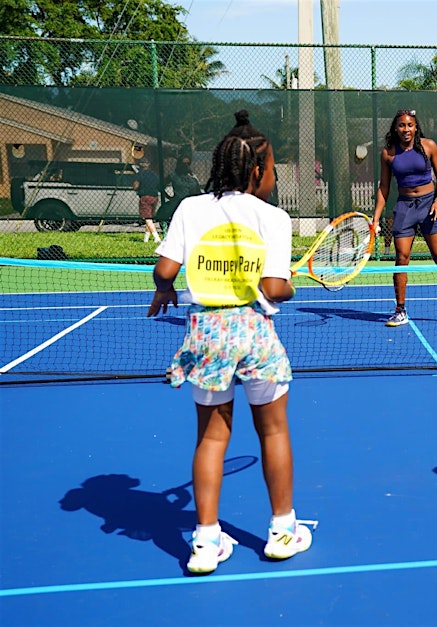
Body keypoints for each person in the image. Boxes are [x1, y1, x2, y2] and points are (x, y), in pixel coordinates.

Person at [147, 110, 314, 575]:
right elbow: (276, 287)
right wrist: (289, 286)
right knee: (274, 431)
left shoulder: (190, 209)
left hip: (206, 335)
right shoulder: (273, 217)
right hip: (254, 334)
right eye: (274, 168)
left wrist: (164, 291)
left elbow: (164, 271)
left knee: (211, 436)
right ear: (257, 171)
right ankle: (282, 532)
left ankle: (204, 542)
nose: (274, 176)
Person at [372, 109, 437, 326]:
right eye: (402, 125)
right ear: (396, 128)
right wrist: (375, 218)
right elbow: (384, 187)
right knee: (401, 259)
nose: (406, 129)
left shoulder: (428, 146)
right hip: (404, 208)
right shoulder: (388, 153)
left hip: (429, 205)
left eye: (410, 125)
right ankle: (400, 310)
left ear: (416, 127)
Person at [133, 158, 162, 243]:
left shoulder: (140, 174)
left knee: (147, 218)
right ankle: (146, 238)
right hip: (155, 196)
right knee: (150, 218)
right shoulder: (154, 174)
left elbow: (136, 186)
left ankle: (156, 237)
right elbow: (159, 185)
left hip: (145, 197)